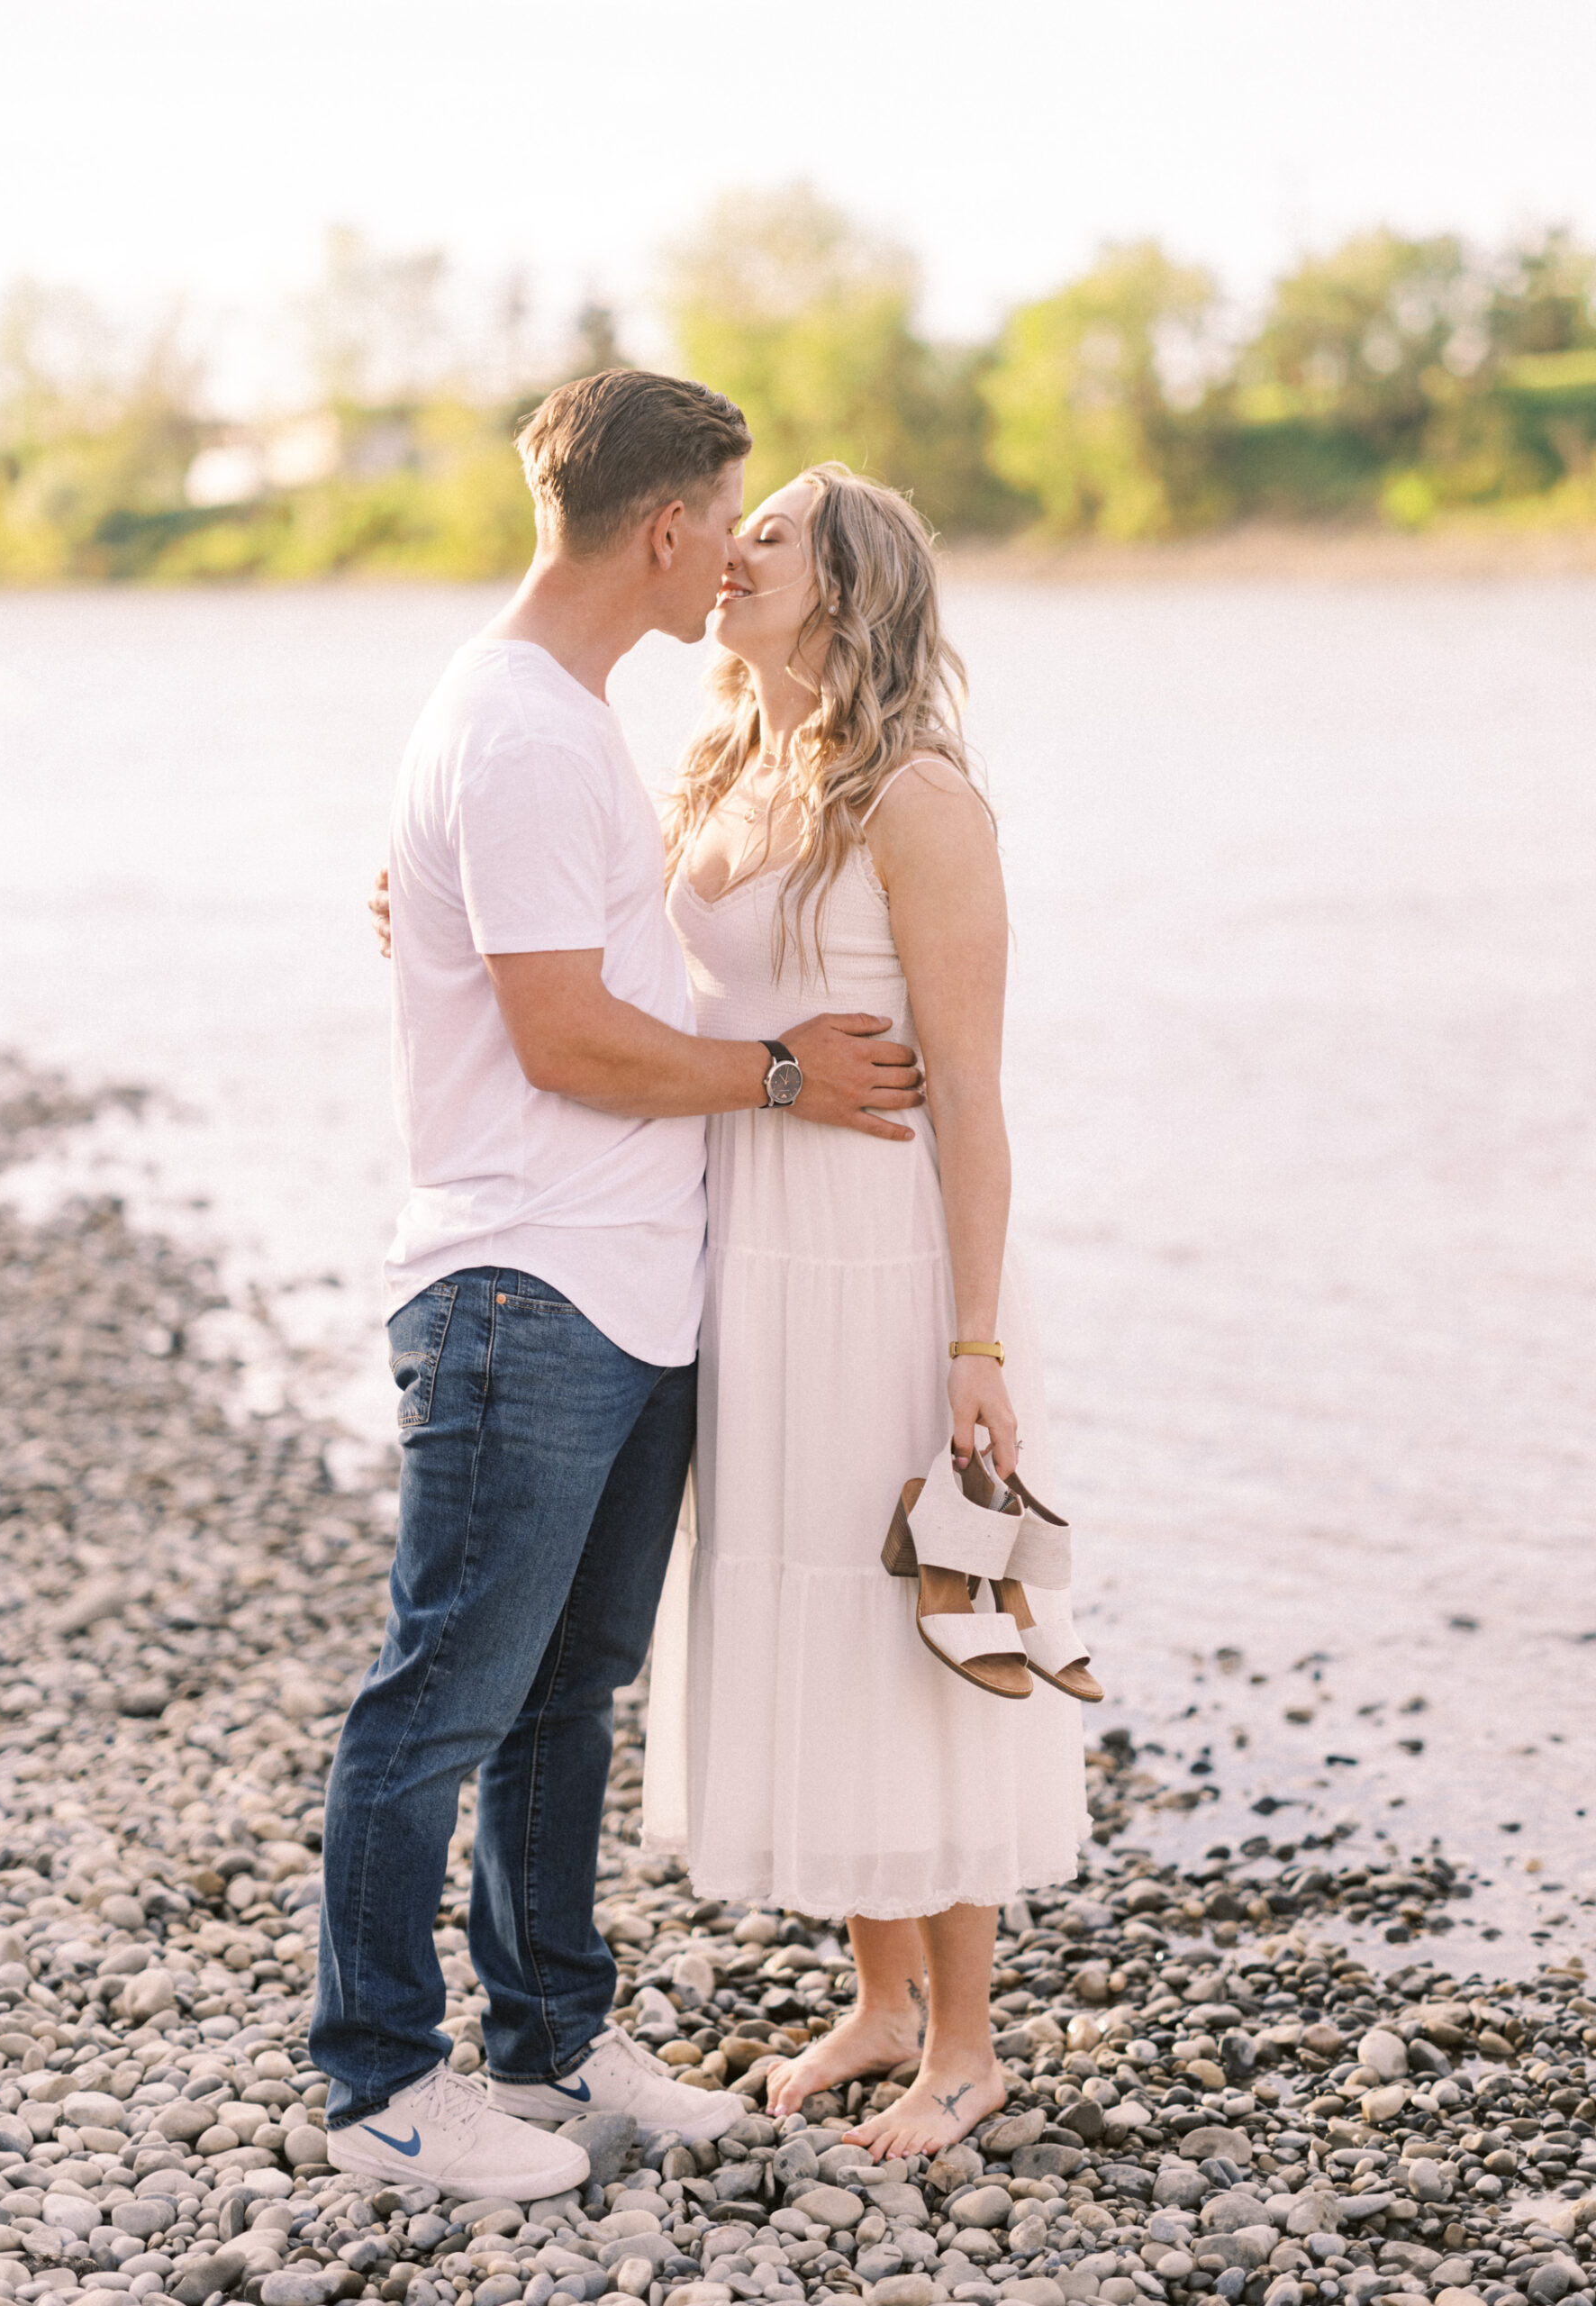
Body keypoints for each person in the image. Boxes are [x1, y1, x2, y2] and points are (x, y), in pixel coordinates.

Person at [315, 372, 927, 2201]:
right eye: (726, 520)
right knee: (443, 1692)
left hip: (630, 1285)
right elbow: (566, 1031)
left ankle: (555, 2033)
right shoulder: (514, 726)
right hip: (527, 1285)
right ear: (663, 529)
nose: (733, 554)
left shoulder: (562, 721)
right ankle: (380, 2086)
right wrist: (790, 1075)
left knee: (566, 1693)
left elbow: (576, 958)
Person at [640, 463, 1098, 2160]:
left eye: (771, 539)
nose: (730, 553)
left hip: (896, 1267)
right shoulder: (722, 773)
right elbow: (610, 971)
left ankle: (964, 2044)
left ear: (852, 586)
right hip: (753, 1254)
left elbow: (972, 1093)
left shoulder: (918, 796)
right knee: (816, 1610)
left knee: (921, 1616)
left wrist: (975, 1349)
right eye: (734, 533)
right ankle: (881, 1999)